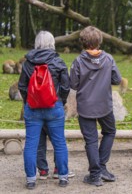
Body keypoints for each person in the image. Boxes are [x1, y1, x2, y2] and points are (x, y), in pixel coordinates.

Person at [70, 26, 122, 186]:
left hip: (85, 107)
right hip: (104, 106)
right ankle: (101, 168)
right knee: (110, 131)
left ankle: (96, 173)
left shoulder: (78, 61)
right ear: (99, 41)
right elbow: (117, 80)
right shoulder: (109, 59)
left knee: (91, 140)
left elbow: (73, 83)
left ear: (83, 42)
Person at [18, 31, 70, 189]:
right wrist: (60, 101)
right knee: (59, 142)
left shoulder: (28, 63)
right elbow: (66, 86)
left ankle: (31, 179)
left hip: (32, 109)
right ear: (52, 43)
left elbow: (22, 86)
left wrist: (29, 102)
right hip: (54, 107)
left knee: (31, 144)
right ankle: (62, 177)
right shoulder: (58, 62)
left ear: (37, 43)